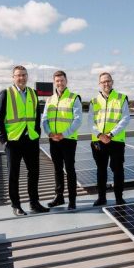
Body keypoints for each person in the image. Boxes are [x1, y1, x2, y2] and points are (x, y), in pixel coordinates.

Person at [0, 65, 50, 216]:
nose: (22, 78)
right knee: (14, 175)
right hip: (13, 141)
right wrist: (4, 140)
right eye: (18, 75)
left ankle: (34, 203)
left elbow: (37, 116)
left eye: (24, 75)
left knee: (34, 173)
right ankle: (16, 205)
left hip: (31, 140)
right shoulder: (6, 93)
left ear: (27, 76)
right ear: (13, 77)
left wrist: (37, 133)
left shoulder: (33, 93)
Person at [41, 70, 82, 210]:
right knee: (57, 169)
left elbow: (78, 120)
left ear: (66, 81)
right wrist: (50, 133)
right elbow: (44, 120)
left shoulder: (74, 98)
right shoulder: (49, 100)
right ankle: (59, 197)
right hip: (54, 140)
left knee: (70, 170)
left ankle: (72, 200)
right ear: (54, 82)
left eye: (62, 80)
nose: (60, 83)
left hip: (68, 140)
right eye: (57, 81)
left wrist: (64, 134)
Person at [89, 72, 130, 206]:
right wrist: (100, 135)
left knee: (118, 170)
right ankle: (102, 198)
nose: (106, 84)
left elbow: (125, 118)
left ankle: (119, 197)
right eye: (103, 82)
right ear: (99, 84)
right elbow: (90, 121)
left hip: (116, 140)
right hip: (98, 141)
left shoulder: (121, 98)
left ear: (112, 82)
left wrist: (111, 134)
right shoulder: (94, 101)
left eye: (108, 81)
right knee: (101, 170)